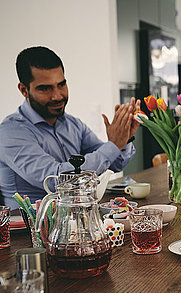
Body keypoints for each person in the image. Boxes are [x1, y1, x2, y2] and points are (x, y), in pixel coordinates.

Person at [0, 46, 139, 209]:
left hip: (75, 221)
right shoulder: (10, 132)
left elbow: (114, 163)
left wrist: (124, 137)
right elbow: (56, 180)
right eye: (45, 88)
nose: (57, 95)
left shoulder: (72, 124)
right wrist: (114, 144)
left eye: (61, 84)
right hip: (30, 229)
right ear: (24, 90)